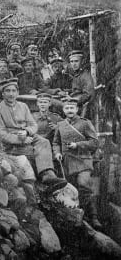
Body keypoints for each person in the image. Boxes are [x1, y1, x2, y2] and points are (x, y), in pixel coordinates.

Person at [0, 78, 67, 200]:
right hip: (11, 143)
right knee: (33, 151)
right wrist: (20, 139)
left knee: (44, 141)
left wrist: (26, 132)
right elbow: (1, 134)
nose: (11, 94)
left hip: (26, 135)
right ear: (3, 93)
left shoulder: (23, 106)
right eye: (8, 91)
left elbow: (33, 125)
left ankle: (47, 174)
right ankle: (40, 187)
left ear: (17, 92)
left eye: (13, 91)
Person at [52, 96, 101, 229]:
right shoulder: (60, 125)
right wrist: (57, 152)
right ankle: (79, 217)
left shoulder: (85, 123)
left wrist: (77, 145)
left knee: (84, 185)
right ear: (63, 110)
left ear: (77, 109)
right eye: (67, 108)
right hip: (67, 163)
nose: (69, 110)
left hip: (83, 161)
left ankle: (94, 217)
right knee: (71, 191)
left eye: (72, 108)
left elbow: (94, 142)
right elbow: (56, 142)